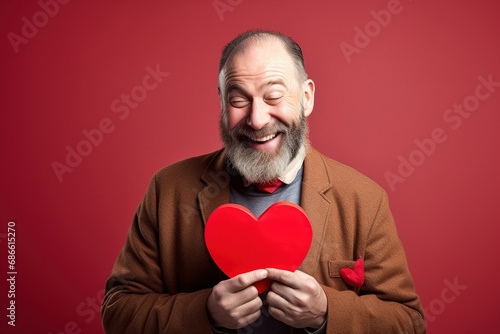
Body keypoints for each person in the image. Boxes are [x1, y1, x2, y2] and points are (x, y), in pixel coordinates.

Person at [101, 30, 425, 333]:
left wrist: (327, 312)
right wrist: (206, 312)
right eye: (238, 99)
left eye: (273, 96)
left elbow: (408, 321)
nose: (257, 120)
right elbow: (118, 311)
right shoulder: (168, 189)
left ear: (307, 97)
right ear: (221, 100)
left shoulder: (364, 199)